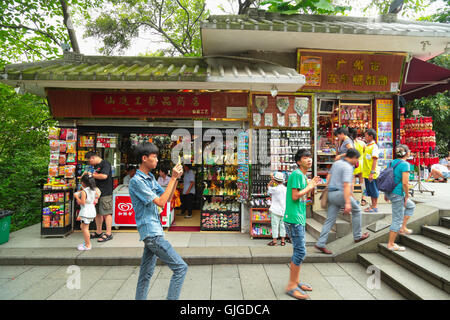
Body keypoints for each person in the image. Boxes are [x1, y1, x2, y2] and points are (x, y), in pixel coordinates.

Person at [129, 142, 188, 300]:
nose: (156, 160)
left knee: (145, 274)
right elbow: (160, 202)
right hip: (152, 234)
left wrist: (175, 180)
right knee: (181, 268)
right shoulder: (137, 181)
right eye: (154, 157)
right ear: (144, 158)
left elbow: (167, 198)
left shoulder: (150, 178)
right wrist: (173, 177)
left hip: (153, 232)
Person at [315, 149, 370, 254]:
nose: (357, 161)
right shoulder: (348, 167)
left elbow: (328, 177)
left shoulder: (336, 163)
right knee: (357, 210)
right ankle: (357, 236)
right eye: (357, 159)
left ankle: (320, 243)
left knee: (330, 220)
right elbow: (346, 185)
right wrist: (348, 202)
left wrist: (327, 189)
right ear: (353, 157)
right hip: (340, 194)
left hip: (331, 194)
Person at [283, 149, 321, 300]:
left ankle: (296, 281)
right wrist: (310, 186)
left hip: (297, 218)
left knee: (298, 251)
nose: (309, 160)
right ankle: (291, 286)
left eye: (310, 157)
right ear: (298, 161)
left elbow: (302, 196)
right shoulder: (297, 174)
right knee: (300, 252)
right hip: (294, 219)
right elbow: (294, 196)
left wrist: (310, 185)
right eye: (305, 158)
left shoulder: (302, 175)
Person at [384, 145, 416, 251]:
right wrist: (406, 195)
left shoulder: (391, 162)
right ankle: (391, 244)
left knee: (411, 206)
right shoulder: (405, 165)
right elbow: (405, 183)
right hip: (398, 194)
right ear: (406, 153)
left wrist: (386, 193)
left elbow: (387, 178)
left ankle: (403, 227)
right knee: (397, 219)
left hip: (390, 192)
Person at [85, 151, 114, 242]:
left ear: (93, 157)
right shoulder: (95, 166)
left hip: (105, 192)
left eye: (89, 161)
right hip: (96, 192)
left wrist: (91, 175)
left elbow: (104, 176)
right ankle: (99, 232)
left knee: (106, 212)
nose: (89, 163)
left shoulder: (105, 164)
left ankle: (108, 233)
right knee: (97, 213)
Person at [74, 173, 97, 251]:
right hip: (91, 210)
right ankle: (87, 242)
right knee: (83, 227)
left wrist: (77, 197)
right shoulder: (93, 189)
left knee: (85, 228)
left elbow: (82, 202)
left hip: (86, 211)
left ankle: (88, 245)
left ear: (83, 183)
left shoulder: (84, 191)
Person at [267, 172, 287, 246]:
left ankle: (274, 241)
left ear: (275, 180)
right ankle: (282, 241)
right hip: (284, 210)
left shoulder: (274, 189)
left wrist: (271, 181)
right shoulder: (286, 189)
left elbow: (268, 187)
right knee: (283, 226)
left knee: (275, 225)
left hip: (275, 210)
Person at [348, 127, 367, 206]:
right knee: (362, 182)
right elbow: (365, 152)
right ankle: (364, 199)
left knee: (352, 181)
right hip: (361, 163)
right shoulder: (362, 143)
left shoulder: (350, 144)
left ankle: (353, 199)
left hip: (354, 163)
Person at [362, 129, 380, 213]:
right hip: (366, 173)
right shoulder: (368, 146)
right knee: (370, 190)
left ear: (371, 136)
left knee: (374, 190)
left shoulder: (374, 147)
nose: (365, 137)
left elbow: (374, 160)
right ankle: (372, 205)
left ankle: (375, 206)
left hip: (371, 173)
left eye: (366, 135)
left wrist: (372, 172)